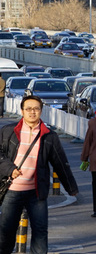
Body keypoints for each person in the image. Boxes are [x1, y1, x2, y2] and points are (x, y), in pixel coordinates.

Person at [0, 95, 79, 253]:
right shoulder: (9, 131)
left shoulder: (49, 136)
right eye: (28, 109)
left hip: (36, 193)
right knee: (6, 232)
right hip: (12, 190)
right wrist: (10, 169)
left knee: (40, 232)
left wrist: (71, 188)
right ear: (22, 111)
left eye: (36, 109)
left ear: (41, 111)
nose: (32, 112)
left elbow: (60, 163)